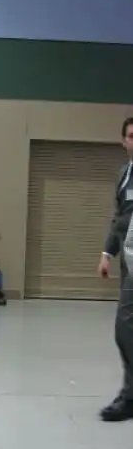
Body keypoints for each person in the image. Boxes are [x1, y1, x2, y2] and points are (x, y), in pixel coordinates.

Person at [98, 117, 133, 422]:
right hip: (129, 261)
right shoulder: (124, 174)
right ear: (124, 141)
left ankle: (130, 396)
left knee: (125, 327)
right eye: (132, 136)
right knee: (127, 329)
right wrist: (107, 253)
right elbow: (120, 216)